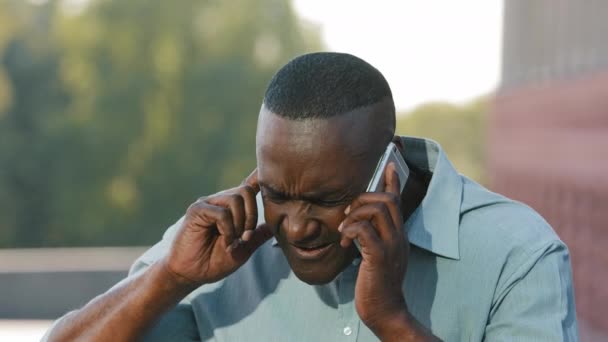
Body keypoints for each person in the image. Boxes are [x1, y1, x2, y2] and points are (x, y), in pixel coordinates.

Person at [44, 52, 578, 341]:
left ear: (386, 171)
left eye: (326, 199)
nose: (296, 227)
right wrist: (168, 279)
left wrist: (393, 320)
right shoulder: (223, 248)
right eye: (277, 194)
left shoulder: (518, 255)